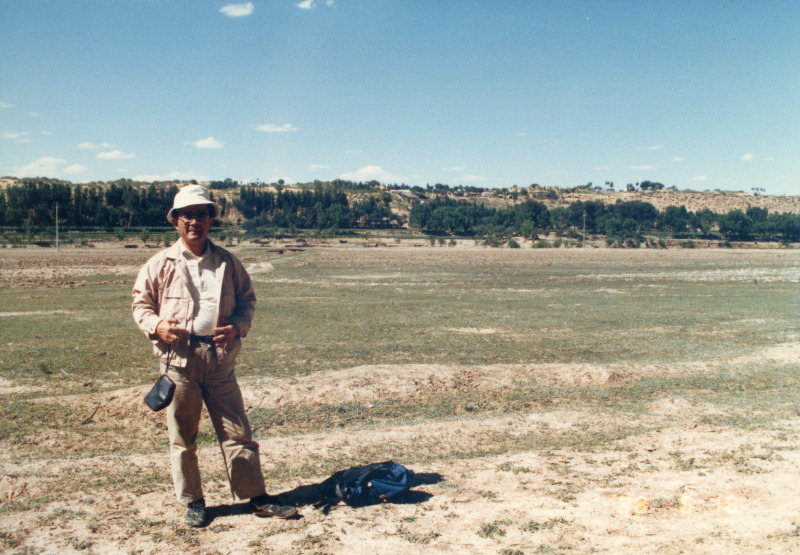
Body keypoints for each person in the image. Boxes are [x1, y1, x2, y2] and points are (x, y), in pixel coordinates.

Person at [132, 185, 297, 527]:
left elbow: (247, 301)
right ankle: (194, 502)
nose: (195, 221)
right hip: (179, 362)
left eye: (202, 214)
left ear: (211, 220)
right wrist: (158, 326)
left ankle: (257, 497)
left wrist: (237, 327)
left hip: (220, 360)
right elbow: (140, 305)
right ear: (176, 221)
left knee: (238, 431)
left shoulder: (227, 262)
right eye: (187, 215)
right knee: (183, 437)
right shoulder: (159, 264)